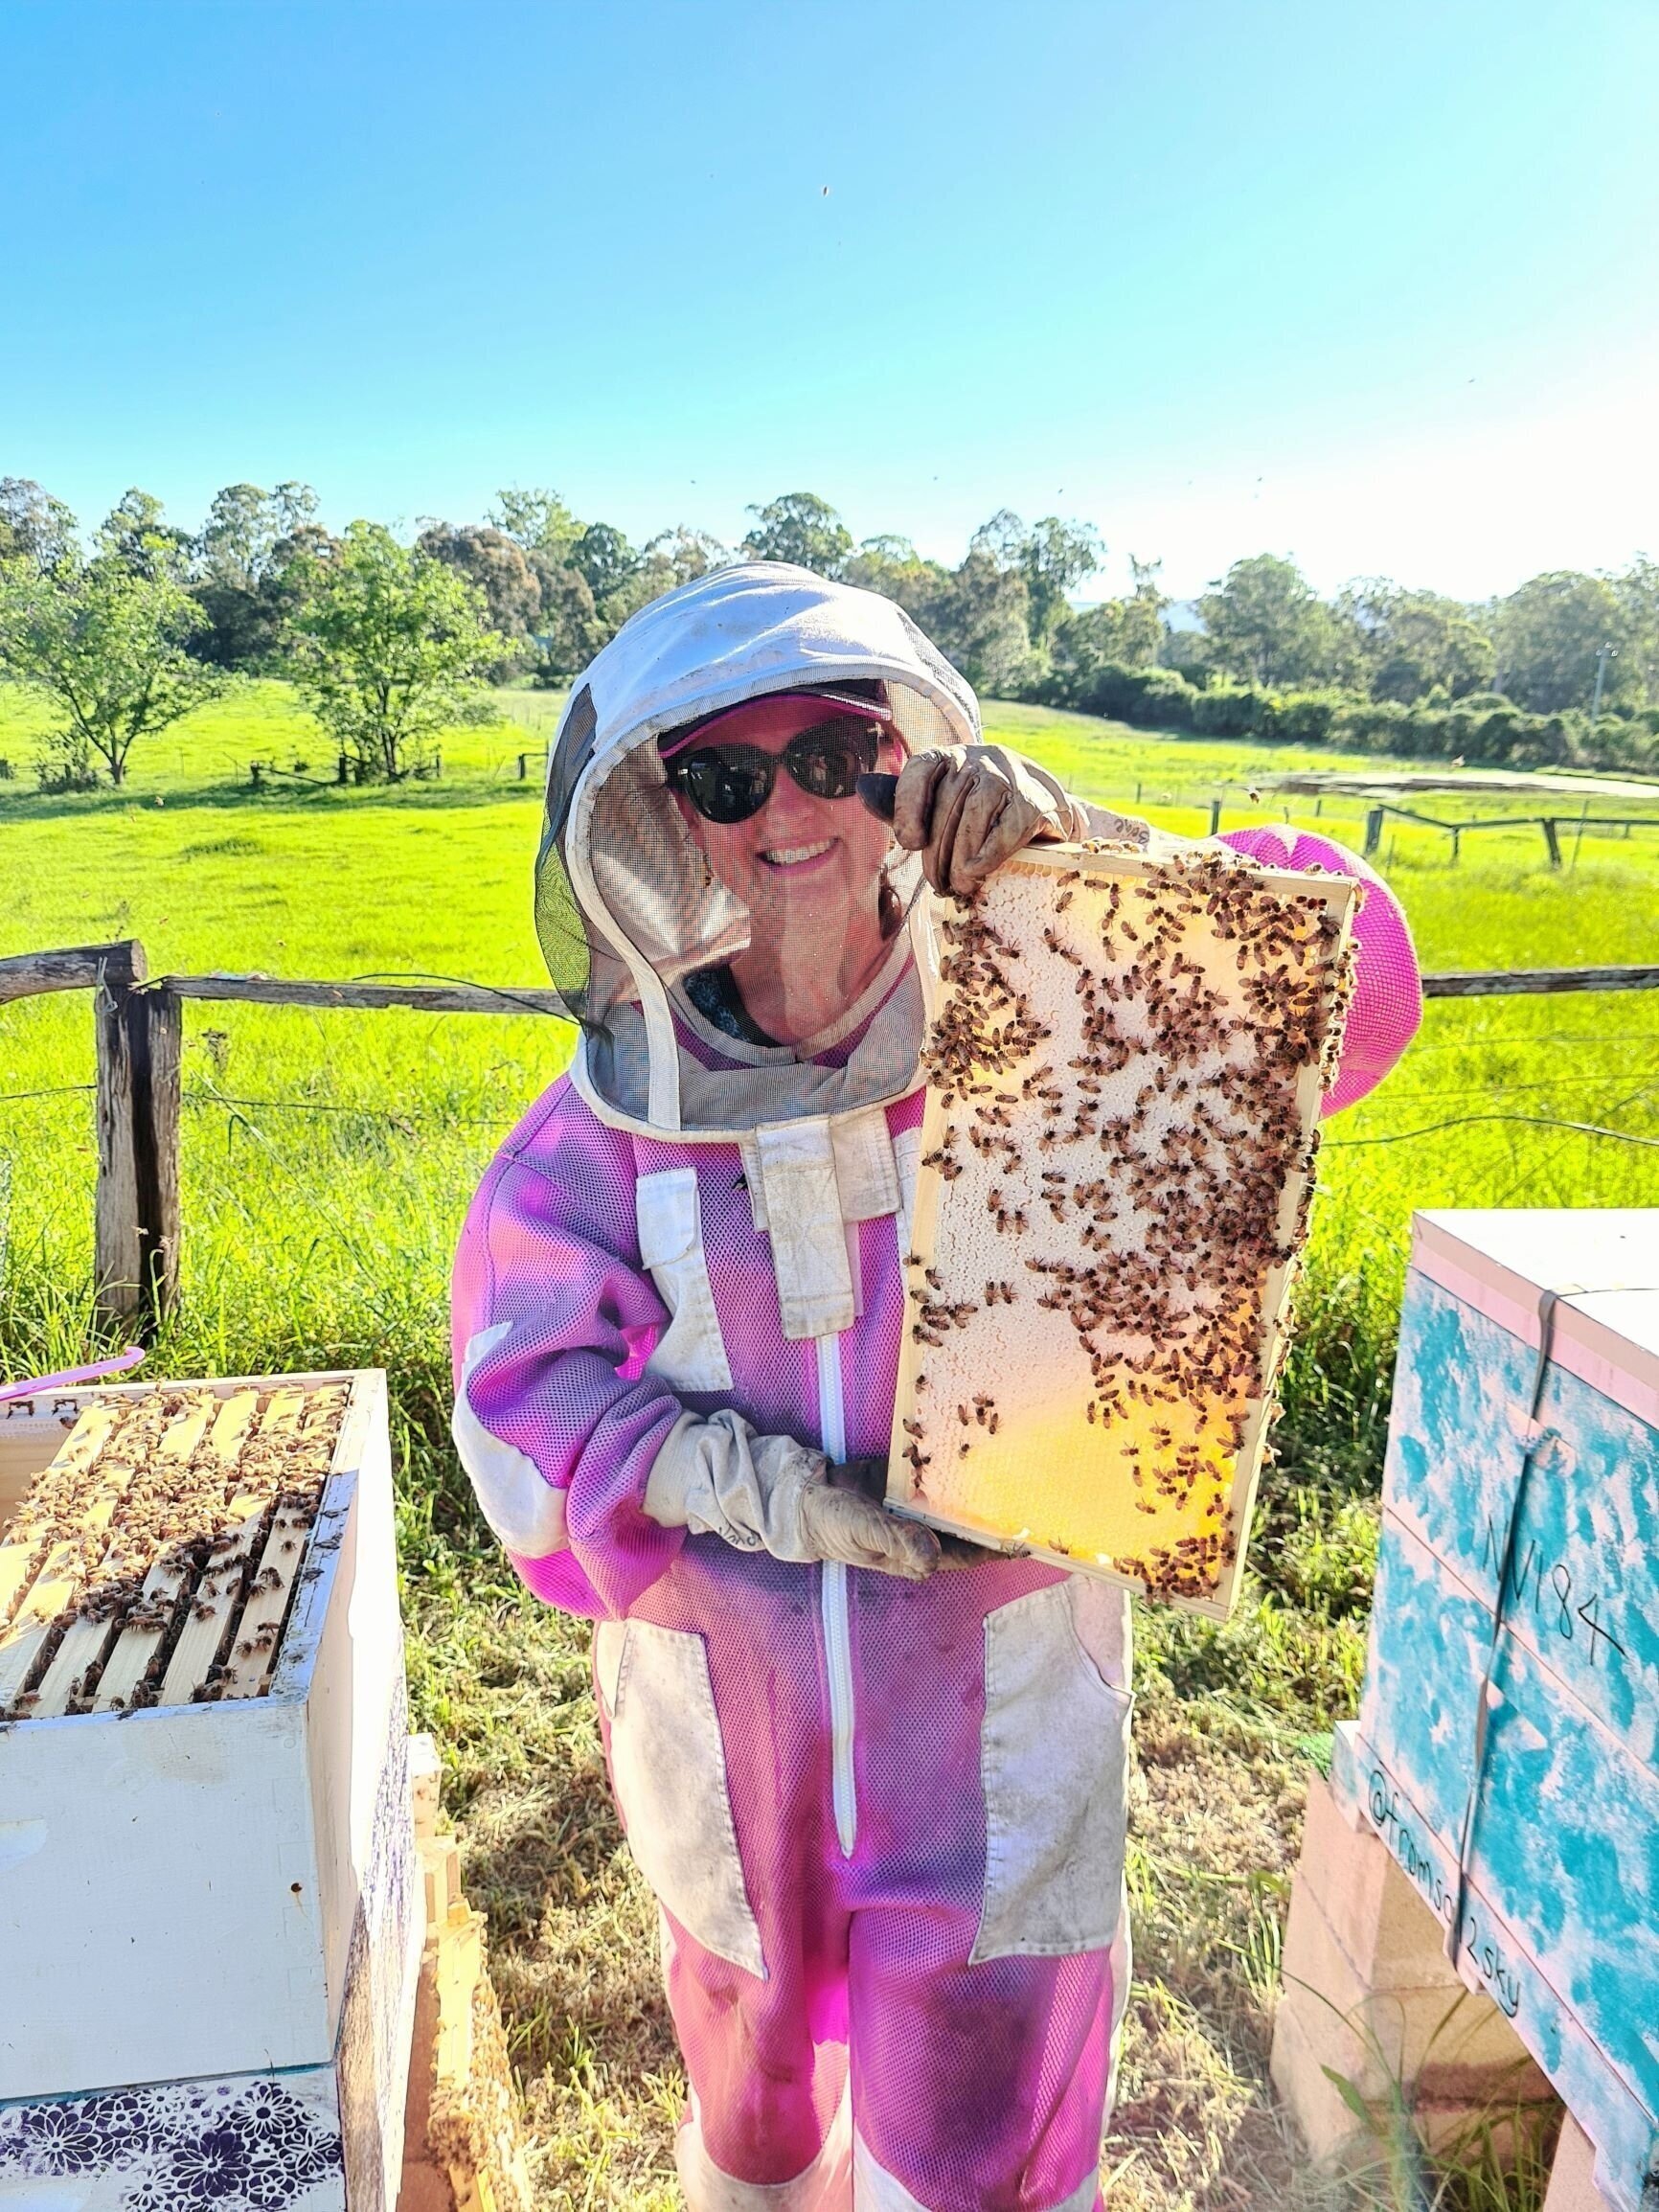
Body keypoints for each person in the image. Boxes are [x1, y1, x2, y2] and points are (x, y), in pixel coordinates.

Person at [450, 561, 1421, 2211]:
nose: (788, 814)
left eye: (835, 756)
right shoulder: (606, 1129)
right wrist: (714, 1479)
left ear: (900, 772)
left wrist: (1091, 861)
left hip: (998, 1720)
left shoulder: (1048, 1007)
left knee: (982, 2136)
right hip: (728, 1724)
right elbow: (514, 1396)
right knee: (758, 2108)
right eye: (726, 777)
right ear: (659, 819)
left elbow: (1355, 983)